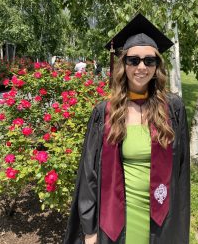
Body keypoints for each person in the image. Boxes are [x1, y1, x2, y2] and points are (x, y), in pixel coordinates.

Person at [64, 13, 190, 244]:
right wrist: (90, 230)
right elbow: (89, 174)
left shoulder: (173, 110)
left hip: (162, 222)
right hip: (117, 220)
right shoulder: (105, 112)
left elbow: (182, 173)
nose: (141, 67)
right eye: (133, 60)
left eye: (149, 61)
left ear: (157, 66)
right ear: (123, 64)